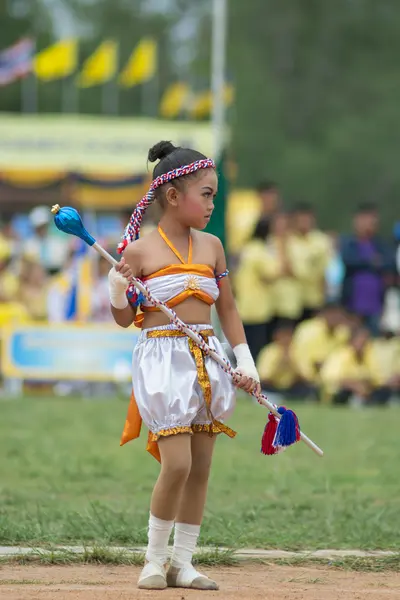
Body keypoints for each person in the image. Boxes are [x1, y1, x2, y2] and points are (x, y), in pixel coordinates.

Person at [108, 141, 260, 591]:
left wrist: (245, 360)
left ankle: (183, 562)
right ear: (173, 196)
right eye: (207, 194)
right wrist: (118, 288)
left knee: (201, 467)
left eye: (215, 195)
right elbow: (122, 318)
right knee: (176, 464)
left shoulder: (213, 247)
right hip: (163, 361)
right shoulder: (139, 252)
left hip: (209, 357)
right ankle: (153, 560)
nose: (213, 203)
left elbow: (228, 310)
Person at [340, 204, 395, 335]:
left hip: (375, 305)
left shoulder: (381, 245)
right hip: (353, 304)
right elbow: (349, 260)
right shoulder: (349, 243)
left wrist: (369, 262)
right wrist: (372, 262)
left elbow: (389, 264)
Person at [234, 218, 280, 360]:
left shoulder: (247, 249)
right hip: (258, 309)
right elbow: (272, 274)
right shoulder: (260, 252)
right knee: (257, 351)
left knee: (244, 350)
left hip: (244, 306)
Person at [320, 327, 390, 406]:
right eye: (361, 342)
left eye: (365, 343)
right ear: (352, 342)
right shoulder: (341, 355)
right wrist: (355, 385)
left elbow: (377, 378)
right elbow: (333, 379)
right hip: (341, 392)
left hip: (365, 390)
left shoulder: (369, 356)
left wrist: (365, 385)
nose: (363, 346)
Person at [257, 320, 316, 401]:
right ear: (276, 336)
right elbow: (264, 378)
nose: (286, 339)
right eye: (283, 336)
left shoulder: (299, 351)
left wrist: (292, 364)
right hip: (273, 387)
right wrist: (280, 364)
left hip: (292, 387)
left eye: (288, 336)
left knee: (307, 389)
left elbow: (308, 377)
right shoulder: (269, 351)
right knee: (262, 388)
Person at [291, 203, 332, 321]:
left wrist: (324, 298)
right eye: (300, 219)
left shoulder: (321, 241)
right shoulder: (289, 240)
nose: (304, 222)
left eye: (307, 219)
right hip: (294, 300)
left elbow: (325, 272)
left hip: (314, 299)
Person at [292, 302, 349, 385]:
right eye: (335, 315)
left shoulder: (343, 332)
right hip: (306, 375)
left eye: (341, 316)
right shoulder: (308, 330)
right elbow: (304, 359)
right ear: (326, 314)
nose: (338, 318)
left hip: (331, 374)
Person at [267, 211, 304, 326]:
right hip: (270, 301)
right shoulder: (268, 243)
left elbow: (299, 270)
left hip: (290, 301)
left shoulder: (297, 244)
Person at [23, 205, 70, 275]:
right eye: (39, 227)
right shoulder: (28, 245)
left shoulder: (58, 242)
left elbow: (64, 264)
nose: (42, 229)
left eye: (44, 226)